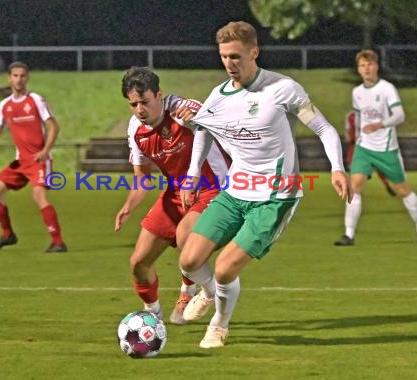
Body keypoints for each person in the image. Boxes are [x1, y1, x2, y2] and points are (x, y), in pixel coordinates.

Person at [177, 21, 351, 348]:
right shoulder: (218, 96)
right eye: (224, 57)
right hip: (235, 191)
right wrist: (192, 174)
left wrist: (337, 168)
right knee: (189, 260)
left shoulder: (283, 88)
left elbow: (325, 129)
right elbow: (203, 129)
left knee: (226, 266)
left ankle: (219, 324)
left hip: (274, 197)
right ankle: (211, 293)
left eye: (236, 56)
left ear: (254, 52)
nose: (229, 63)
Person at [115, 67, 229, 324]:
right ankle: (152, 317)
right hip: (176, 191)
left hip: (214, 187)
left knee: (185, 237)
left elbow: (216, 120)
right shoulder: (136, 130)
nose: (139, 109)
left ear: (160, 95)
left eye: (145, 102)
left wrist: (200, 117)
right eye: (133, 104)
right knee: (138, 263)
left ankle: (199, 291)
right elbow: (142, 177)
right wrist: (128, 206)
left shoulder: (181, 108)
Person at [334, 49, 417, 246]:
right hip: (364, 148)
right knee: (355, 186)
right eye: (362, 65)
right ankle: (348, 235)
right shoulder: (357, 92)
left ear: (376, 66)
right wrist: (359, 136)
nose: (366, 68)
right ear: (358, 69)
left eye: (369, 64)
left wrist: (379, 125)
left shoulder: (387, 88)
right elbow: (359, 117)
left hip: (386, 148)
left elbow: (399, 115)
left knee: (403, 190)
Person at [0, 61, 67, 253]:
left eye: (22, 75)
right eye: (15, 75)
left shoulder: (35, 100)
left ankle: (58, 242)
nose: (19, 79)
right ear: (9, 78)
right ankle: (8, 235)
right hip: (20, 161)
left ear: (27, 78)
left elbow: (53, 126)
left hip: (39, 159)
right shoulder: (4, 105)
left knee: (38, 196)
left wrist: (46, 150)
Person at [345, 110, 396, 196]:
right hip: (355, 146)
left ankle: (385, 183)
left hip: (368, 145)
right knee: (354, 169)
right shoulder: (350, 116)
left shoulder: (369, 115)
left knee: (378, 167)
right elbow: (348, 132)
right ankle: (355, 189)